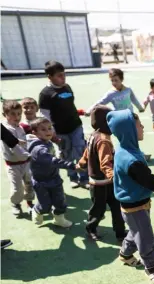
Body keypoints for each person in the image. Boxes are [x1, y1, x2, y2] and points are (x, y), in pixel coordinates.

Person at [107, 109, 154, 284]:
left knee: (136, 231)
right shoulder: (131, 160)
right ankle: (151, 267)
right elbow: (152, 182)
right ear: (130, 130)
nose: (142, 127)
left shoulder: (125, 148)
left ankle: (125, 254)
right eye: (139, 125)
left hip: (136, 202)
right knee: (145, 237)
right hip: (134, 204)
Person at [77, 106, 126, 242]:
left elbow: (87, 152)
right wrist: (114, 177)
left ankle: (120, 233)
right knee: (99, 209)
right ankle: (91, 228)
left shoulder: (94, 135)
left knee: (116, 208)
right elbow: (105, 163)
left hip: (101, 181)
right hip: (101, 183)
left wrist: (81, 163)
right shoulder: (104, 140)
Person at [38, 61, 89, 189]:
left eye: (64, 74)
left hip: (76, 126)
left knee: (80, 151)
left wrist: (80, 112)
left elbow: (70, 106)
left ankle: (84, 177)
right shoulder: (45, 94)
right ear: (50, 77)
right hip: (60, 131)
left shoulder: (67, 87)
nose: (63, 77)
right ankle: (73, 177)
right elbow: (45, 116)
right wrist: (52, 134)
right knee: (66, 154)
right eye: (59, 75)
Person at [27, 118, 75, 228]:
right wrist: (72, 166)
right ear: (35, 133)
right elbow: (53, 161)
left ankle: (59, 219)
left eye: (49, 128)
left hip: (54, 178)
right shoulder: (39, 149)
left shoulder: (47, 142)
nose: (48, 131)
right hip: (41, 182)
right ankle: (37, 210)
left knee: (60, 201)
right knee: (45, 205)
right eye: (43, 130)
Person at [1, 100, 34, 215]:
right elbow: (14, 149)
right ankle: (16, 204)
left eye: (19, 113)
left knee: (30, 183)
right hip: (13, 166)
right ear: (5, 115)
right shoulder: (6, 130)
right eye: (13, 114)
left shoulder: (20, 127)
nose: (17, 117)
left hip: (26, 163)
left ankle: (30, 203)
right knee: (17, 188)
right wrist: (30, 155)